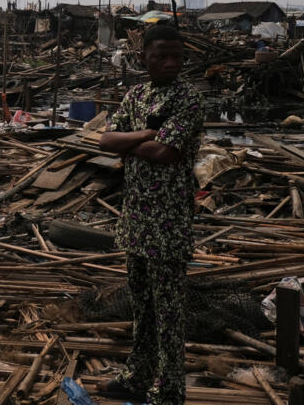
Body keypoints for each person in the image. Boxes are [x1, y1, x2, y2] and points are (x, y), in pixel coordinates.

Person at [97, 23, 204, 405]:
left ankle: (170, 390)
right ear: (144, 58)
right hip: (136, 218)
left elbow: (166, 153)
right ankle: (137, 376)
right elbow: (106, 140)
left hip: (169, 222)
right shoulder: (137, 94)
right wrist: (146, 135)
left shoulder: (188, 99)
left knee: (169, 313)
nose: (170, 63)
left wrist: (132, 140)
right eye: (161, 56)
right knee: (142, 306)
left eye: (176, 56)